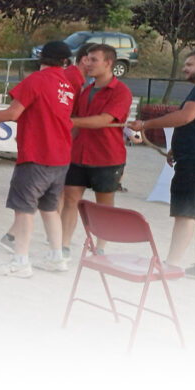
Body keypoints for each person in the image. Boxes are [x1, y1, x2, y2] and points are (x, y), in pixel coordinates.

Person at [0, 41, 75, 277]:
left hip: (36, 155)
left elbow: (12, 113)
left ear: (40, 58)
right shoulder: (67, 86)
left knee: (24, 210)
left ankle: (21, 261)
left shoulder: (36, 81)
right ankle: (56, 257)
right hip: (61, 156)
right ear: (65, 61)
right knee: (49, 209)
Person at [129, 48, 195, 271]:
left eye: (189, 64)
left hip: (194, 161)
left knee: (185, 212)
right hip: (192, 157)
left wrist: (146, 124)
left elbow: (186, 116)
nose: (184, 68)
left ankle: (172, 264)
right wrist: (175, 149)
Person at [60, 43, 133, 258]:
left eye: (93, 59)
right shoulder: (86, 90)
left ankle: (100, 247)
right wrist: (65, 146)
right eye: (87, 59)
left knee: (104, 204)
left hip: (107, 156)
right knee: (70, 199)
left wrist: (69, 122)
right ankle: (63, 245)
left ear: (108, 63)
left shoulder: (121, 91)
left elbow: (104, 120)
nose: (88, 63)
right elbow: (75, 125)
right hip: (78, 153)